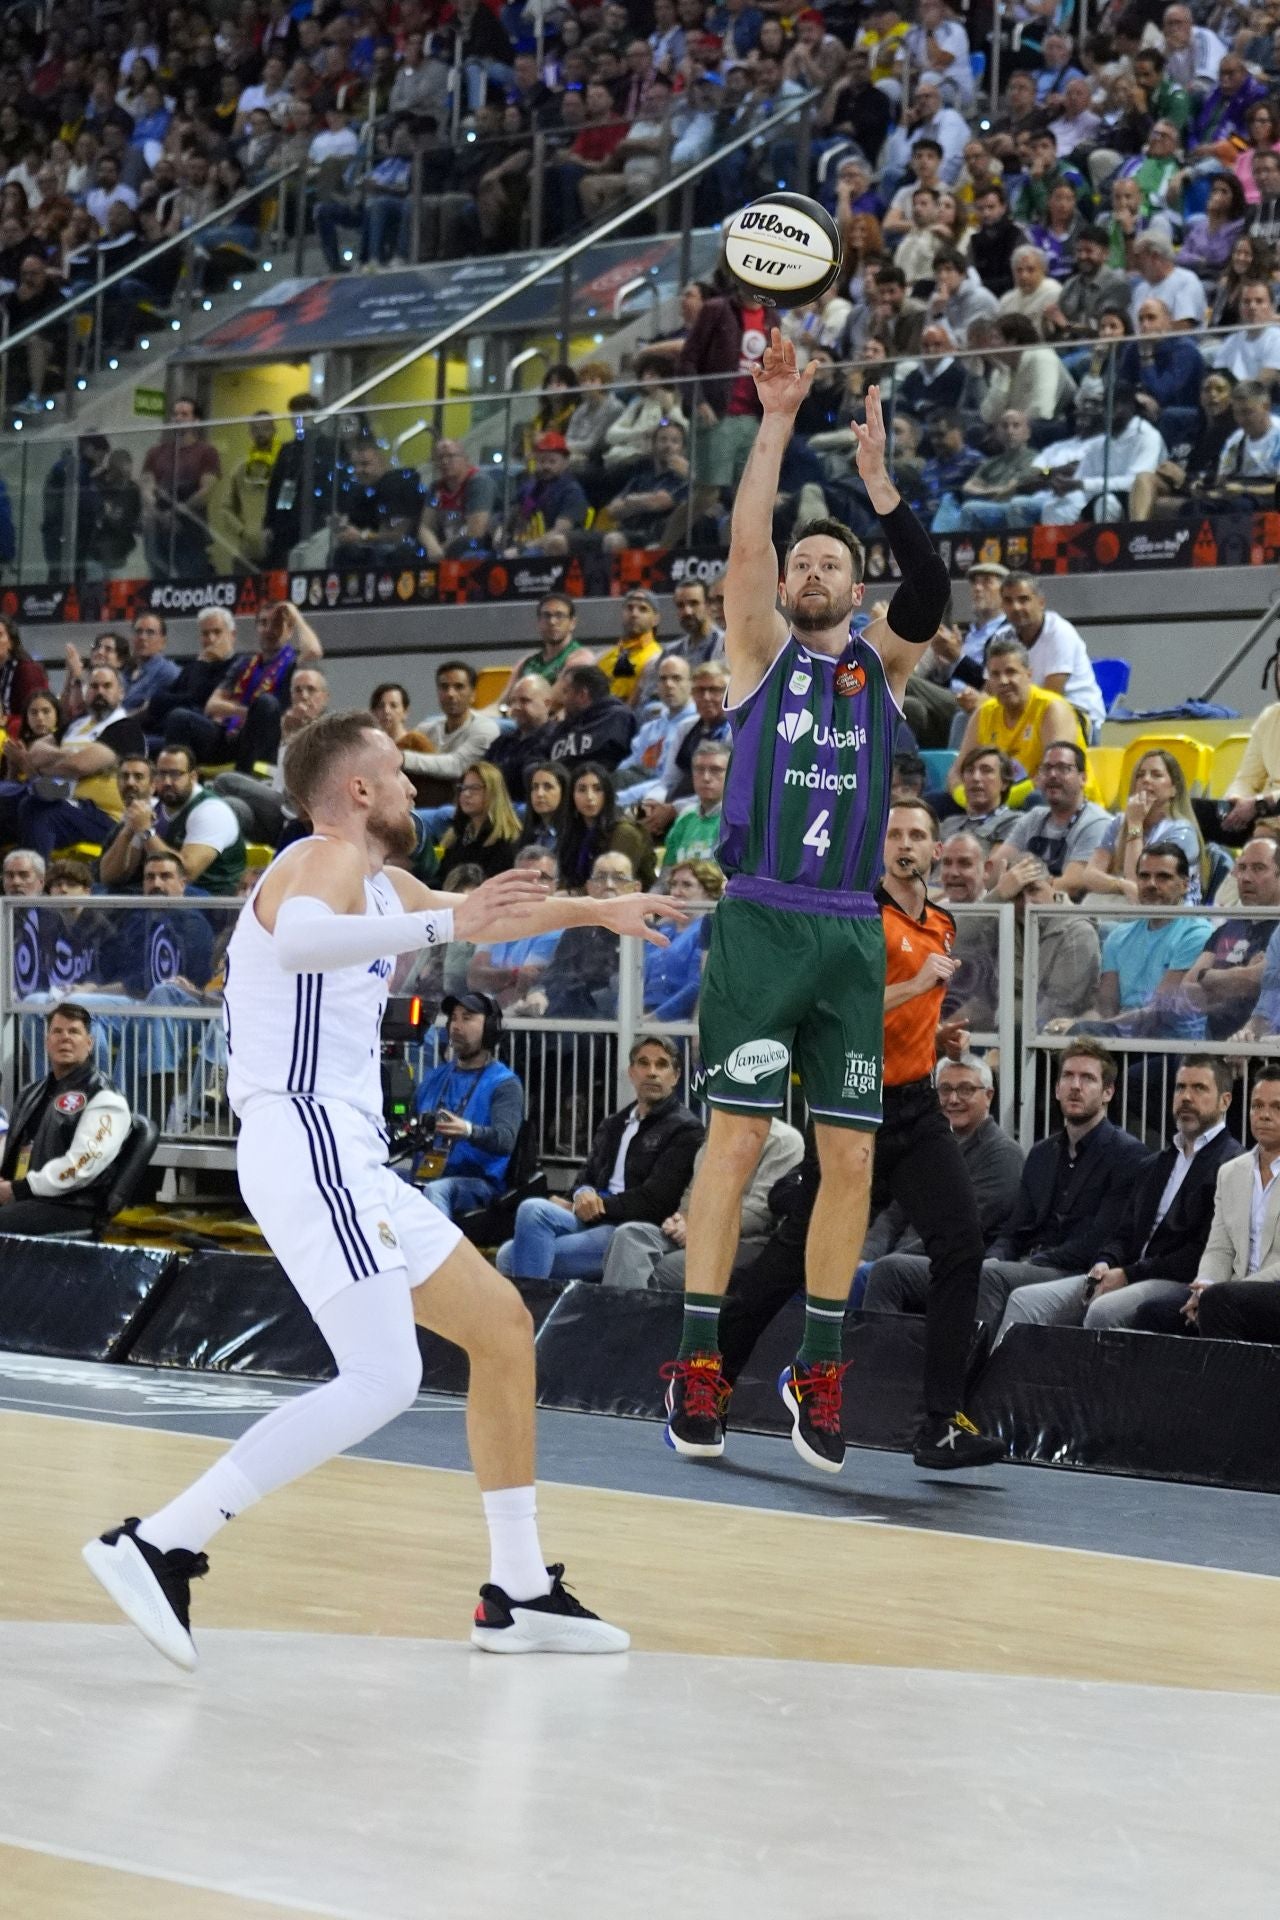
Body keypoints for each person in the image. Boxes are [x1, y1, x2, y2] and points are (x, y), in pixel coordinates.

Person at [83, 707, 676, 1667]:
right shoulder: (317, 859)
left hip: (345, 1148)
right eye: (398, 773)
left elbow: (490, 916)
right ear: (357, 789)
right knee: (385, 1376)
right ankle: (159, 1541)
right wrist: (446, 919)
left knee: (501, 1330)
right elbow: (304, 943)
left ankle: (518, 1590)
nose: (413, 788)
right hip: (305, 1130)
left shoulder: (378, 879)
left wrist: (600, 913)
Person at [662, 336, 953, 1473]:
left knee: (848, 1164)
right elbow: (743, 539)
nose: (814, 569)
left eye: (834, 561)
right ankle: (695, 1362)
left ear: (853, 586)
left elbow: (926, 590)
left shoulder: (875, 674)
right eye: (804, 560)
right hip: (761, 917)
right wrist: (775, 418)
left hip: (843, 929)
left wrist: (879, 488)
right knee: (734, 1140)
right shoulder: (755, 656)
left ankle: (816, 1371)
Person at [715, 802, 1008, 1466]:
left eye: (917, 835)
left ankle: (940, 1424)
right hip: (851, 1110)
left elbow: (891, 1025)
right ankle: (716, 1376)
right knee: (795, 1255)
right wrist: (914, 987)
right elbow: (836, 1018)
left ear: (937, 852)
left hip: (914, 1106)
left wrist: (937, 1035)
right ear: (877, 851)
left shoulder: (940, 922)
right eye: (893, 835)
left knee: (961, 1245)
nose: (905, 844)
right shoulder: (855, 919)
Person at [995, 1058, 1243, 1338]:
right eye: (1180, 1087)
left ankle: (1089, 1383)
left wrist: (1129, 1273)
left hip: (1177, 1280)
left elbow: (1200, 1251)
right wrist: (1105, 1261)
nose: (1186, 1097)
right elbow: (1125, 1231)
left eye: (1199, 1088)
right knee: (1026, 1302)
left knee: (1104, 1310)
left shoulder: (1231, 1165)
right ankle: (1000, 1382)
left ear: (1225, 1101)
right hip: (1127, 1271)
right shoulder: (1158, 1162)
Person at [496, 1036, 702, 1281]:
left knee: (510, 1258)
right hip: (594, 1219)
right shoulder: (614, 1124)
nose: (652, 1072)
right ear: (632, 1072)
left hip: (631, 1228)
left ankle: (531, 1312)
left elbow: (657, 1200)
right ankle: (537, 1309)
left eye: (662, 1065)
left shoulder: (685, 1129)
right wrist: (580, 1195)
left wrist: (600, 1204)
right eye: (644, 1064)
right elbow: (584, 1179)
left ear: (676, 1076)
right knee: (532, 1210)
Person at [602, 1110, 804, 1291]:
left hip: (746, 1242)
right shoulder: (714, 1136)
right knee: (627, 1235)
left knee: (650, 1270)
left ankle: (622, 1329)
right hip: (697, 1232)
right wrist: (680, 1219)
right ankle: (624, 1328)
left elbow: (760, 1214)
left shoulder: (784, 1140)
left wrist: (699, 1228)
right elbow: (692, 1193)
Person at [0, 1002, 132, 1237]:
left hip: (71, 1205)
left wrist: (19, 1189)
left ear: (89, 1043)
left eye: (74, 1032)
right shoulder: (30, 1093)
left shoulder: (104, 1097)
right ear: (46, 1042)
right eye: (57, 1032)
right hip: (25, 1198)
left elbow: (80, 1167)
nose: (65, 1038)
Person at [0, 663, 145, 860]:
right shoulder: (76, 725)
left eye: (106, 686)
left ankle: (35, 883)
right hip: (61, 795)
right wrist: (76, 753)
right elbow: (35, 751)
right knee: (9, 804)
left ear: (120, 692)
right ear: (86, 692)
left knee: (36, 808)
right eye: (94, 686)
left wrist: (55, 763)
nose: (99, 691)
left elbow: (79, 765)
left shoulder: (125, 728)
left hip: (104, 816)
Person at [164, 600, 322, 775]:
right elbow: (212, 706)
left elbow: (314, 651)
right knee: (179, 717)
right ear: (257, 628)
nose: (269, 629)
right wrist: (250, 713)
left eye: (276, 623)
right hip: (231, 734)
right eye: (263, 623)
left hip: (268, 740)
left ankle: (254, 781)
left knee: (266, 704)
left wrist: (295, 615)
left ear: (290, 630)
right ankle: (175, 780)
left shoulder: (293, 664)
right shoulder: (244, 663)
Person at [407, 993, 522, 1220]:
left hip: (477, 1183)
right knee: (381, 1179)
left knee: (437, 1191)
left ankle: (440, 1255)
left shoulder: (504, 1084)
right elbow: (409, 1126)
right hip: (426, 1173)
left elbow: (506, 1140)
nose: (456, 1026)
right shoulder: (434, 1077)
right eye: (454, 1019)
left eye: (467, 1018)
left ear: (489, 1028)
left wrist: (467, 1130)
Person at [950, 636, 1090, 809]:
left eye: (1011, 672)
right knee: (937, 802)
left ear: (1029, 675)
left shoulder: (1052, 709)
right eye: (995, 674)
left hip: (1061, 800)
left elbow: (1055, 775)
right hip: (998, 803)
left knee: (1039, 799)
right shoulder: (983, 713)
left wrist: (998, 801)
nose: (1003, 681)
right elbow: (956, 773)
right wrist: (966, 799)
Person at [99, 743, 245, 896]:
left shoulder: (211, 811)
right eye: (162, 774)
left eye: (175, 774)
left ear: (193, 777)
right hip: (168, 894)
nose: (167, 781)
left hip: (211, 902)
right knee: (102, 893)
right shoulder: (152, 809)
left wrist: (146, 831)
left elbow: (187, 874)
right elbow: (109, 877)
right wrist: (129, 830)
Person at [1067, 748, 1204, 902]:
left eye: (1156, 775)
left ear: (1174, 789)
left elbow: (1139, 883)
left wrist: (1135, 824)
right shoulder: (1118, 823)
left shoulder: (1181, 832)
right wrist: (1121, 885)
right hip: (1132, 905)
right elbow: (1090, 875)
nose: (1146, 780)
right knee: (1091, 900)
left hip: (1170, 912)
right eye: (1140, 775)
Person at [995, 573, 1105, 740]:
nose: (1016, 607)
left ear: (1040, 603)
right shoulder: (1002, 637)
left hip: (1075, 712)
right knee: (966, 717)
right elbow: (992, 688)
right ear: (1002, 606)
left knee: (1045, 717)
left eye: (1023, 599)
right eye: (1008, 601)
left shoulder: (1060, 632)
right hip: (1022, 710)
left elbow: (1052, 695)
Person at [987, 743, 1111, 887]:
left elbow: (1072, 886)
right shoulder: (1033, 817)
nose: (1052, 775)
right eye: (1046, 769)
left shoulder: (1097, 823)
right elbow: (993, 873)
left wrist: (1016, 884)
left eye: (1063, 768)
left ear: (1083, 778)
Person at [140, 397, 221, 579]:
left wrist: (178, 512)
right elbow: (147, 486)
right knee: (158, 578)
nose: (178, 418)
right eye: (175, 414)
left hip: (190, 528)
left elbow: (206, 490)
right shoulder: (156, 452)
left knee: (190, 579)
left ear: (196, 420)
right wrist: (159, 513)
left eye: (184, 414)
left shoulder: (207, 452)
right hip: (160, 528)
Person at [556, 762, 655, 892]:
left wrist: (566, 897)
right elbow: (565, 878)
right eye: (582, 790)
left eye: (597, 789)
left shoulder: (624, 832)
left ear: (608, 794)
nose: (590, 797)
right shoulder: (574, 832)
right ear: (572, 796)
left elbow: (612, 885)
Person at [612, 656, 696, 802]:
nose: (669, 684)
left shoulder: (697, 726)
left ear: (691, 684)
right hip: (633, 791)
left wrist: (622, 798)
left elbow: (672, 781)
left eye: (677, 678)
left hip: (667, 799)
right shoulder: (649, 729)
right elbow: (628, 766)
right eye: (663, 679)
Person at [435, 763, 521, 881]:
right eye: (463, 788)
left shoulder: (506, 842)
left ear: (493, 793)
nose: (466, 794)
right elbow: (440, 878)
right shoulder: (455, 836)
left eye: (474, 788)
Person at [545, 663, 636, 775]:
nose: (562, 700)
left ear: (582, 695)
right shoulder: (562, 727)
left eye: (566, 691)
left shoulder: (618, 717)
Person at [659, 741, 728, 873]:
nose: (706, 777)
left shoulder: (740, 822)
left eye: (716, 770)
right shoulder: (685, 818)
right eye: (699, 769)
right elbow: (666, 878)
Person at [485, 675, 553, 807]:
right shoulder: (502, 742)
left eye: (524, 700)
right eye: (512, 702)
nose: (515, 707)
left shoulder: (554, 740)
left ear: (547, 704)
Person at [595, 592, 664, 708]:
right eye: (629, 608)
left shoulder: (658, 658)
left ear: (656, 619)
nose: (634, 614)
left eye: (643, 609)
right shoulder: (602, 657)